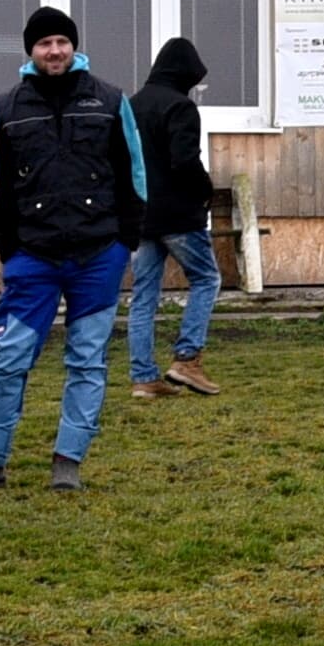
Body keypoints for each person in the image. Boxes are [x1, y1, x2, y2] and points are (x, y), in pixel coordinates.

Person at [0, 6, 145, 495]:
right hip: (33, 258)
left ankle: (68, 461)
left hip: (98, 256)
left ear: (74, 46)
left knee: (87, 361)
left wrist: (125, 242)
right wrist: (11, 249)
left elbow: (134, 174)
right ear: (31, 51)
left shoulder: (111, 101)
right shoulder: (5, 109)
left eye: (62, 41)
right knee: (9, 359)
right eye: (45, 43)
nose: (55, 50)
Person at [123, 36, 222, 400]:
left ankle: (144, 378)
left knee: (143, 295)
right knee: (207, 279)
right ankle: (187, 358)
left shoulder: (131, 106)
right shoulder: (181, 107)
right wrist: (206, 188)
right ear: (185, 74)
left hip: (142, 216)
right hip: (179, 215)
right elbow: (184, 161)